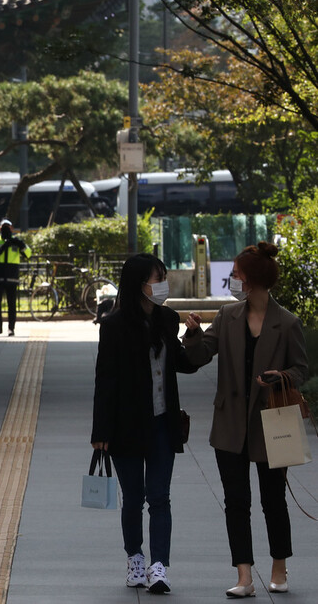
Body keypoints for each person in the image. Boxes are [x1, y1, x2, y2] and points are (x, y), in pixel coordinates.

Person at [182, 242, 308, 598]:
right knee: (236, 501)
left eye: (237, 273)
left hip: (271, 423)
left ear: (251, 279)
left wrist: (280, 376)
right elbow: (200, 356)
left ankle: (279, 568)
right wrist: (192, 334)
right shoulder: (227, 316)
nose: (232, 278)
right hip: (230, 423)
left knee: (273, 500)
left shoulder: (287, 323)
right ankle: (244, 577)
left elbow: (300, 369)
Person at [91, 253, 198, 594]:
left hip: (162, 423)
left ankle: (159, 566)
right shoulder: (114, 325)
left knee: (160, 497)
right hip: (126, 426)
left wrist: (196, 338)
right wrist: (101, 433)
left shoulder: (168, 319)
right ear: (139, 284)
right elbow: (105, 381)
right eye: (157, 279)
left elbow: (183, 363)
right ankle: (135, 558)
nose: (162, 285)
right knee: (134, 497)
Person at [0, 220, 32, 336]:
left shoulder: (16, 241)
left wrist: (21, 244)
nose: (6, 229)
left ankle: (11, 328)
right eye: (4, 227)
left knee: (12, 304)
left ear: (12, 228)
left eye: (8, 227)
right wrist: (3, 246)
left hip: (12, 277)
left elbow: (28, 254)